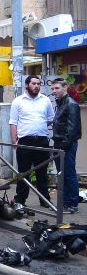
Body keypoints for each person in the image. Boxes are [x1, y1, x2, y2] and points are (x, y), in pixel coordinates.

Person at [9, 75, 55, 212]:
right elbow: (13, 122)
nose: (36, 86)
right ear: (27, 85)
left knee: (42, 172)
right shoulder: (18, 101)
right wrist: (14, 141)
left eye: (38, 83)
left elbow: (50, 119)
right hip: (25, 141)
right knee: (24, 172)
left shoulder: (45, 100)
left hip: (41, 140)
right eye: (33, 83)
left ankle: (45, 199)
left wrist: (38, 127)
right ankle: (21, 199)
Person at [51, 78, 81, 215]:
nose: (54, 91)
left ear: (65, 87)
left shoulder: (71, 104)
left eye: (57, 88)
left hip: (66, 144)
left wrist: (63, 146)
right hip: (59, 143)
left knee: (69, 174)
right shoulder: (61, 103)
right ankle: (65, 202)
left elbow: (72, 128)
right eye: (52, 89)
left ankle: (72, 204)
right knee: (62, 174)